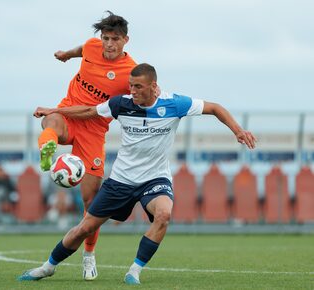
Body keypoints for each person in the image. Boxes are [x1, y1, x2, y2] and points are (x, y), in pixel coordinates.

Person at [20, 63, 256, 284]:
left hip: (155, 179)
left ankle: (134, 270)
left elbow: (214, 108)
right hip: (121, 180)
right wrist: (55, 110)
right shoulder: (120, 104)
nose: (132, 90)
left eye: (138, 87)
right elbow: (89, 111)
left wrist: (238, 130)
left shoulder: (174, 104)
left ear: (154, 86)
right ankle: (48, 267)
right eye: (131, 85)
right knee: (85, 228)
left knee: (163, 215)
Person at [37, 11, 136, 280]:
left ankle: (89, 255)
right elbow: (83, 48)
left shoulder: (130, 72)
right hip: (68, 115)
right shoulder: (92, 47)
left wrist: (154, 90)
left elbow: (143, 88)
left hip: (93, 130)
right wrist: (68, 55)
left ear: (125, 40)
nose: (109, 44)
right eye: (105, 38)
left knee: (92, 202)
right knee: (52, 119)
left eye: (115, 39)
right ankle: (47, 152)